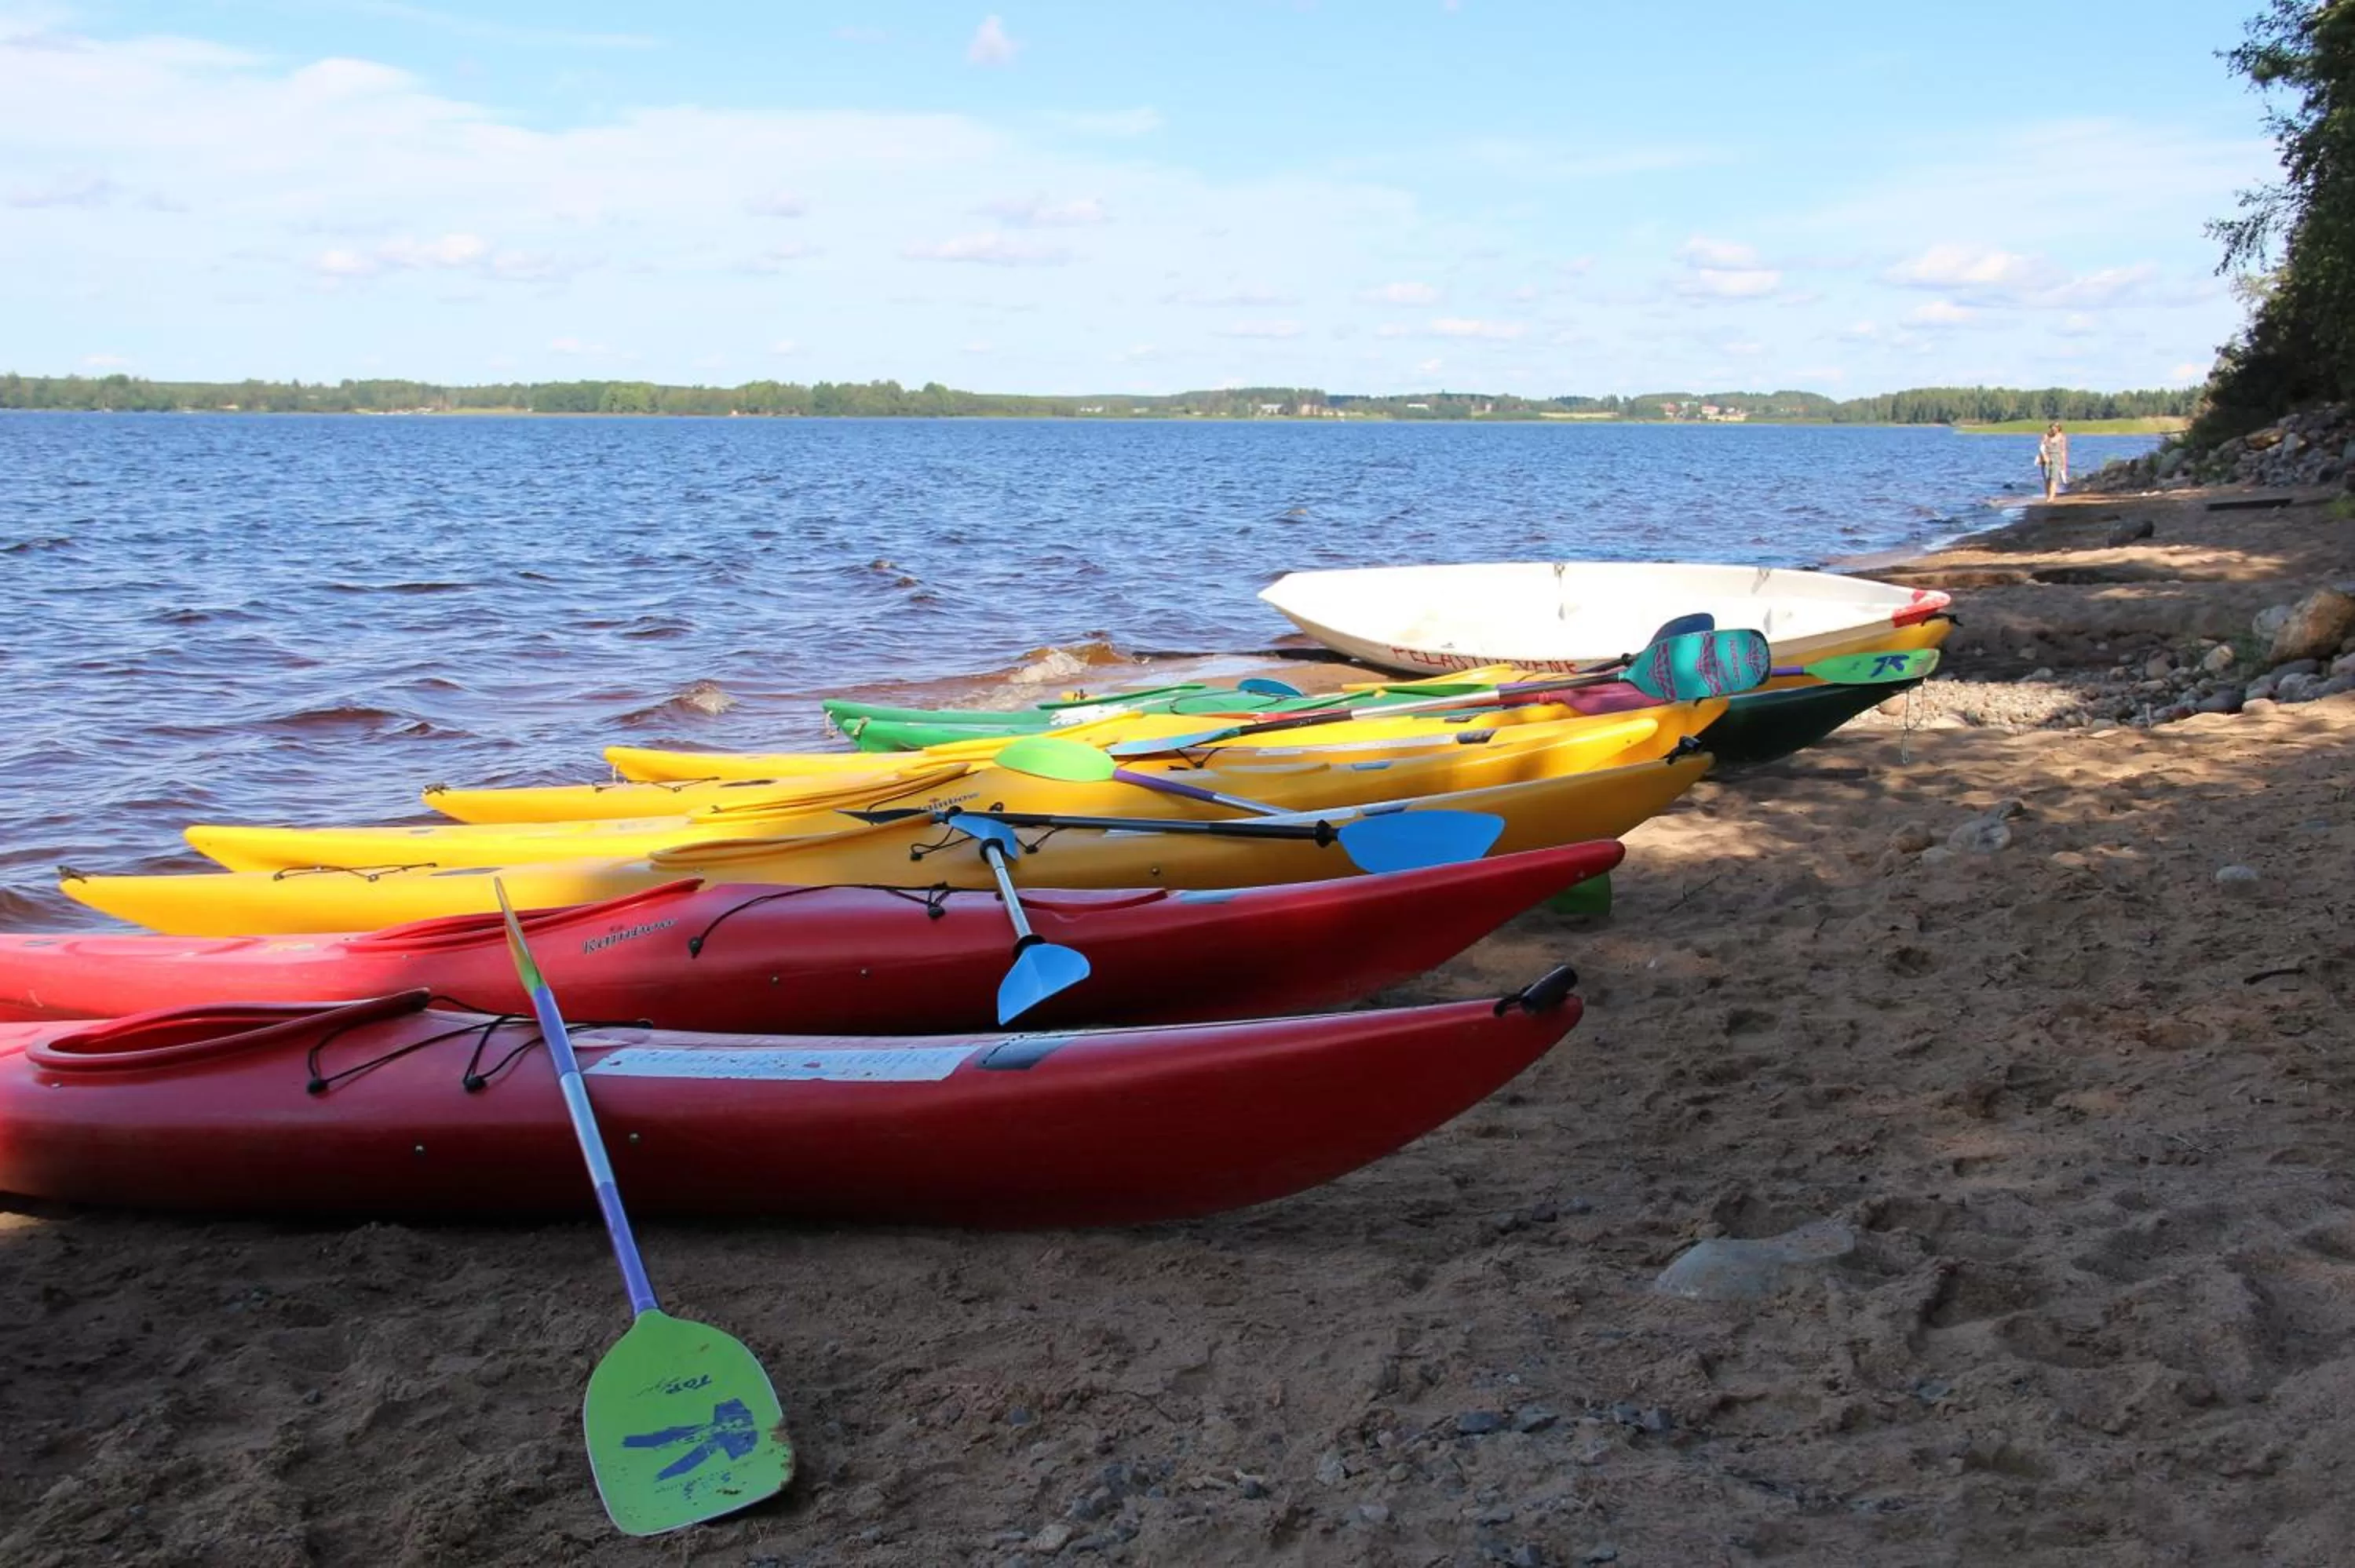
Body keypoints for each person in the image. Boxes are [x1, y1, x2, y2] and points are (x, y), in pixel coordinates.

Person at [2036, 421, 2068, 500]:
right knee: (2047, 478)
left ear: (2059, 429)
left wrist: (2064, 464)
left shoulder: (2062, 437)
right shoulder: (2046, 436)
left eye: (2056, 427)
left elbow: (2063, 451)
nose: (2053, 429)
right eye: (2052, 427)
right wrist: (2043, 457)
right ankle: (2048, 495)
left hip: (2057, 458)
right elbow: (2041, 448)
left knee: (2054, 478)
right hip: (2046, 458)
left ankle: (2051, 497)